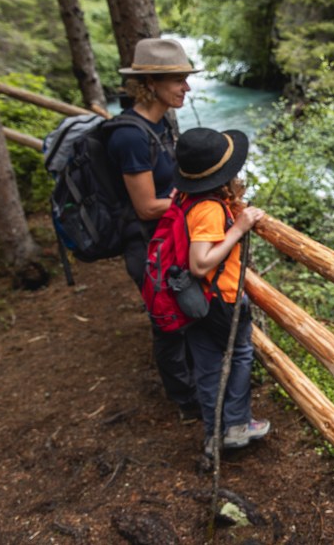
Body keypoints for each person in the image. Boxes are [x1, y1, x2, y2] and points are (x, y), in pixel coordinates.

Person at [108, 38, 200, 423]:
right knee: (168, 323)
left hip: (166, 239)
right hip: (146, 245)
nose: (186, 87)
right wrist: (199, 200)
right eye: (178, 79)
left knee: (185, 316)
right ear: (151, 83)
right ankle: (184, 401)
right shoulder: (130, 136)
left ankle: (196, 384)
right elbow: (146, 205)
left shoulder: (159, 123)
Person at [172, 127, 270, 457]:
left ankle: (213, 434)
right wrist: (240, 228)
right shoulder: (210, 209)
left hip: (196, 300)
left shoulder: (187, 199)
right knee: (241, 355)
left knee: (208, 367)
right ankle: (237, 425)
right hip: (221, 299)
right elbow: (200, 263)